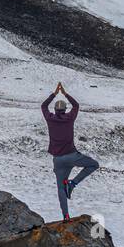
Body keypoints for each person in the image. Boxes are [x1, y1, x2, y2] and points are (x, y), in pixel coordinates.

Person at [40, 82, 98, 220]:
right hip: (72, 156)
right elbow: (76, 105)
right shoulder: (69, 118)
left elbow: (43, 106)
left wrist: (54, 94)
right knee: (93, 164)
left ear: (54, 109)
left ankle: (66, 216)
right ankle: (72, 184)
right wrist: (65, 93)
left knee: (60, 188)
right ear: (65, 109)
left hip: (58, 160)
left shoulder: (50, 118)